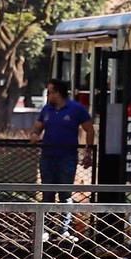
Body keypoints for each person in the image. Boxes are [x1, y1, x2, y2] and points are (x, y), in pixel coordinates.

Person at [35, 81, 92, 209]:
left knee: (65, 194)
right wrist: (34, 134)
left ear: (58, 93)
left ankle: (64, 228)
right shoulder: (46, 109)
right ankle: (46, 226)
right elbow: (38, 127)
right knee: (47, 193)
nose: (48, 96)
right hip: (47, 157)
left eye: (50, 92)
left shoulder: (76, 108)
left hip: (67, 157)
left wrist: (88, 152)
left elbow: (89, 129)